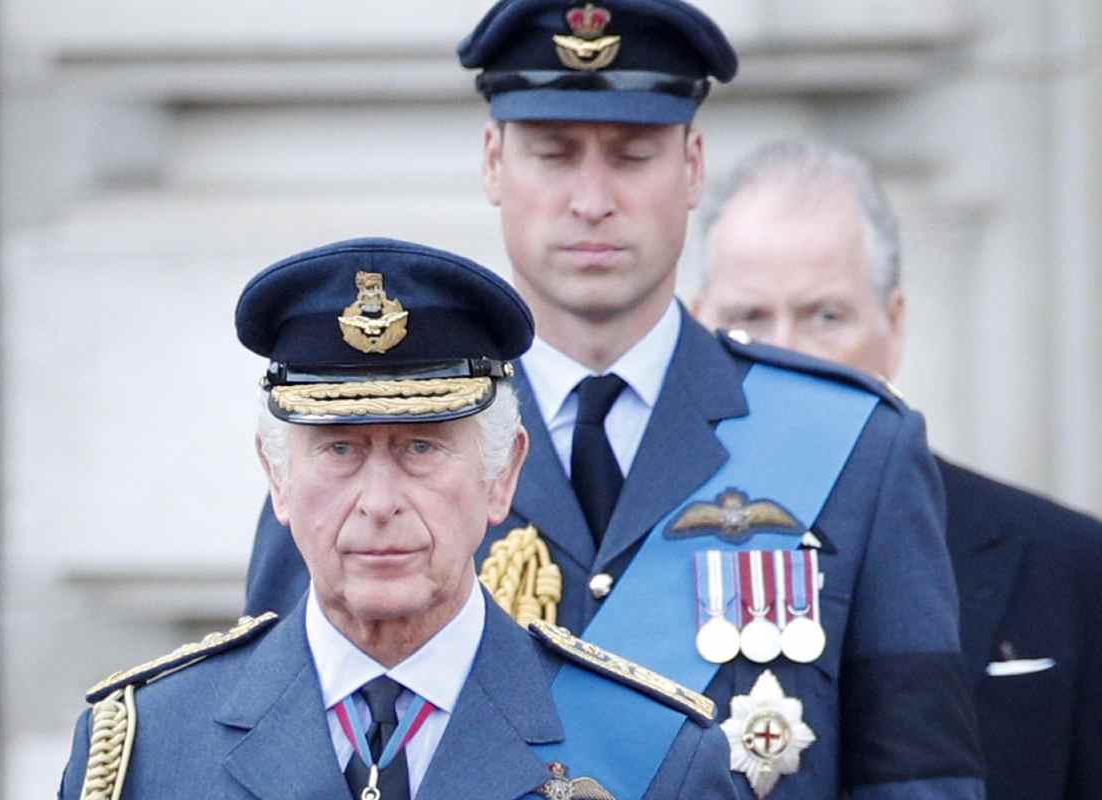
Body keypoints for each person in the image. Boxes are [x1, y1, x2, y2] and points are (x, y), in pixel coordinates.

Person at [244, 3, 984, 797]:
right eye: (554, 154)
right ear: (493, 161)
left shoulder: (851, 444)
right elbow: (282, 755)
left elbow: (919, 779)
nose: (592, 200)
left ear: (693, 165)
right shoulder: (362, 442)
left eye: (632, 156)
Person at [58, 238, 738, 800]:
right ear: (278, 478)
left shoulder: (651, 753)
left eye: (421, 447)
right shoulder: (150, 749)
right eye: (339, 449)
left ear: (503, 474)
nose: (379, 501)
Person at [691, 139, 1102, 800]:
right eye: (749, 320)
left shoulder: (1067, 563)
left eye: (826, 316)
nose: (786, 353)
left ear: (895, 324)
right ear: (695, 330)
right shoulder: (632, 546)